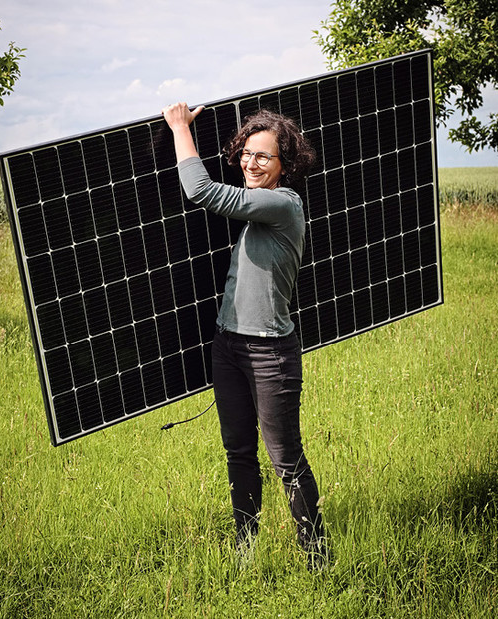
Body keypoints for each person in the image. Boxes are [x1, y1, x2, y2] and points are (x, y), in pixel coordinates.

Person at [161, 102, 327, 567]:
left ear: (285, 165)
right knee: (238, 451)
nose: (251, 164)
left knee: (285, 458)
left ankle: (317, 555)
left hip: (269, 353)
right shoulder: (260, 206)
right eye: (246, 154)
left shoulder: (281, 204)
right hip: (227, 345)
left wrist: (179, 127)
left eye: (264, 157)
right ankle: (245, 549)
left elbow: (201, 190)